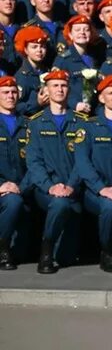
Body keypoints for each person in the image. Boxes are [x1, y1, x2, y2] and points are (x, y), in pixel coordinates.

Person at [75, 74, 112, 273]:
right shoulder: (89, 127)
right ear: (101, 98)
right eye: (111, 93)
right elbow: (83, 163)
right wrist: (102, 189)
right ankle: (107, 253)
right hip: (95, 192)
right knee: (111, 208)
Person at [23, 67, 81, 273]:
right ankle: (46, 250)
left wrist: (71, 185)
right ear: (46, 90)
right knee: (59, 204)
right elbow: (34, 161)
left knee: (67, 257)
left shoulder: (80, 121)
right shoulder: (37, 123)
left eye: (64, 85)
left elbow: (83, 161)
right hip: (45, 189)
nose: (60, 89)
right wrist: (50, 186)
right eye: (55, 86)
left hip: (74, 187)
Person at [0, 74, 26, 271]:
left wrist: (21, 186)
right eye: (5, 92)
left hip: (23, 184)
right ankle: (3, 248)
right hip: (3, 187)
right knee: (12, 201)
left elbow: (35, 161)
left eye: (13, 92)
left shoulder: (28, 124)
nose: (10, 96)